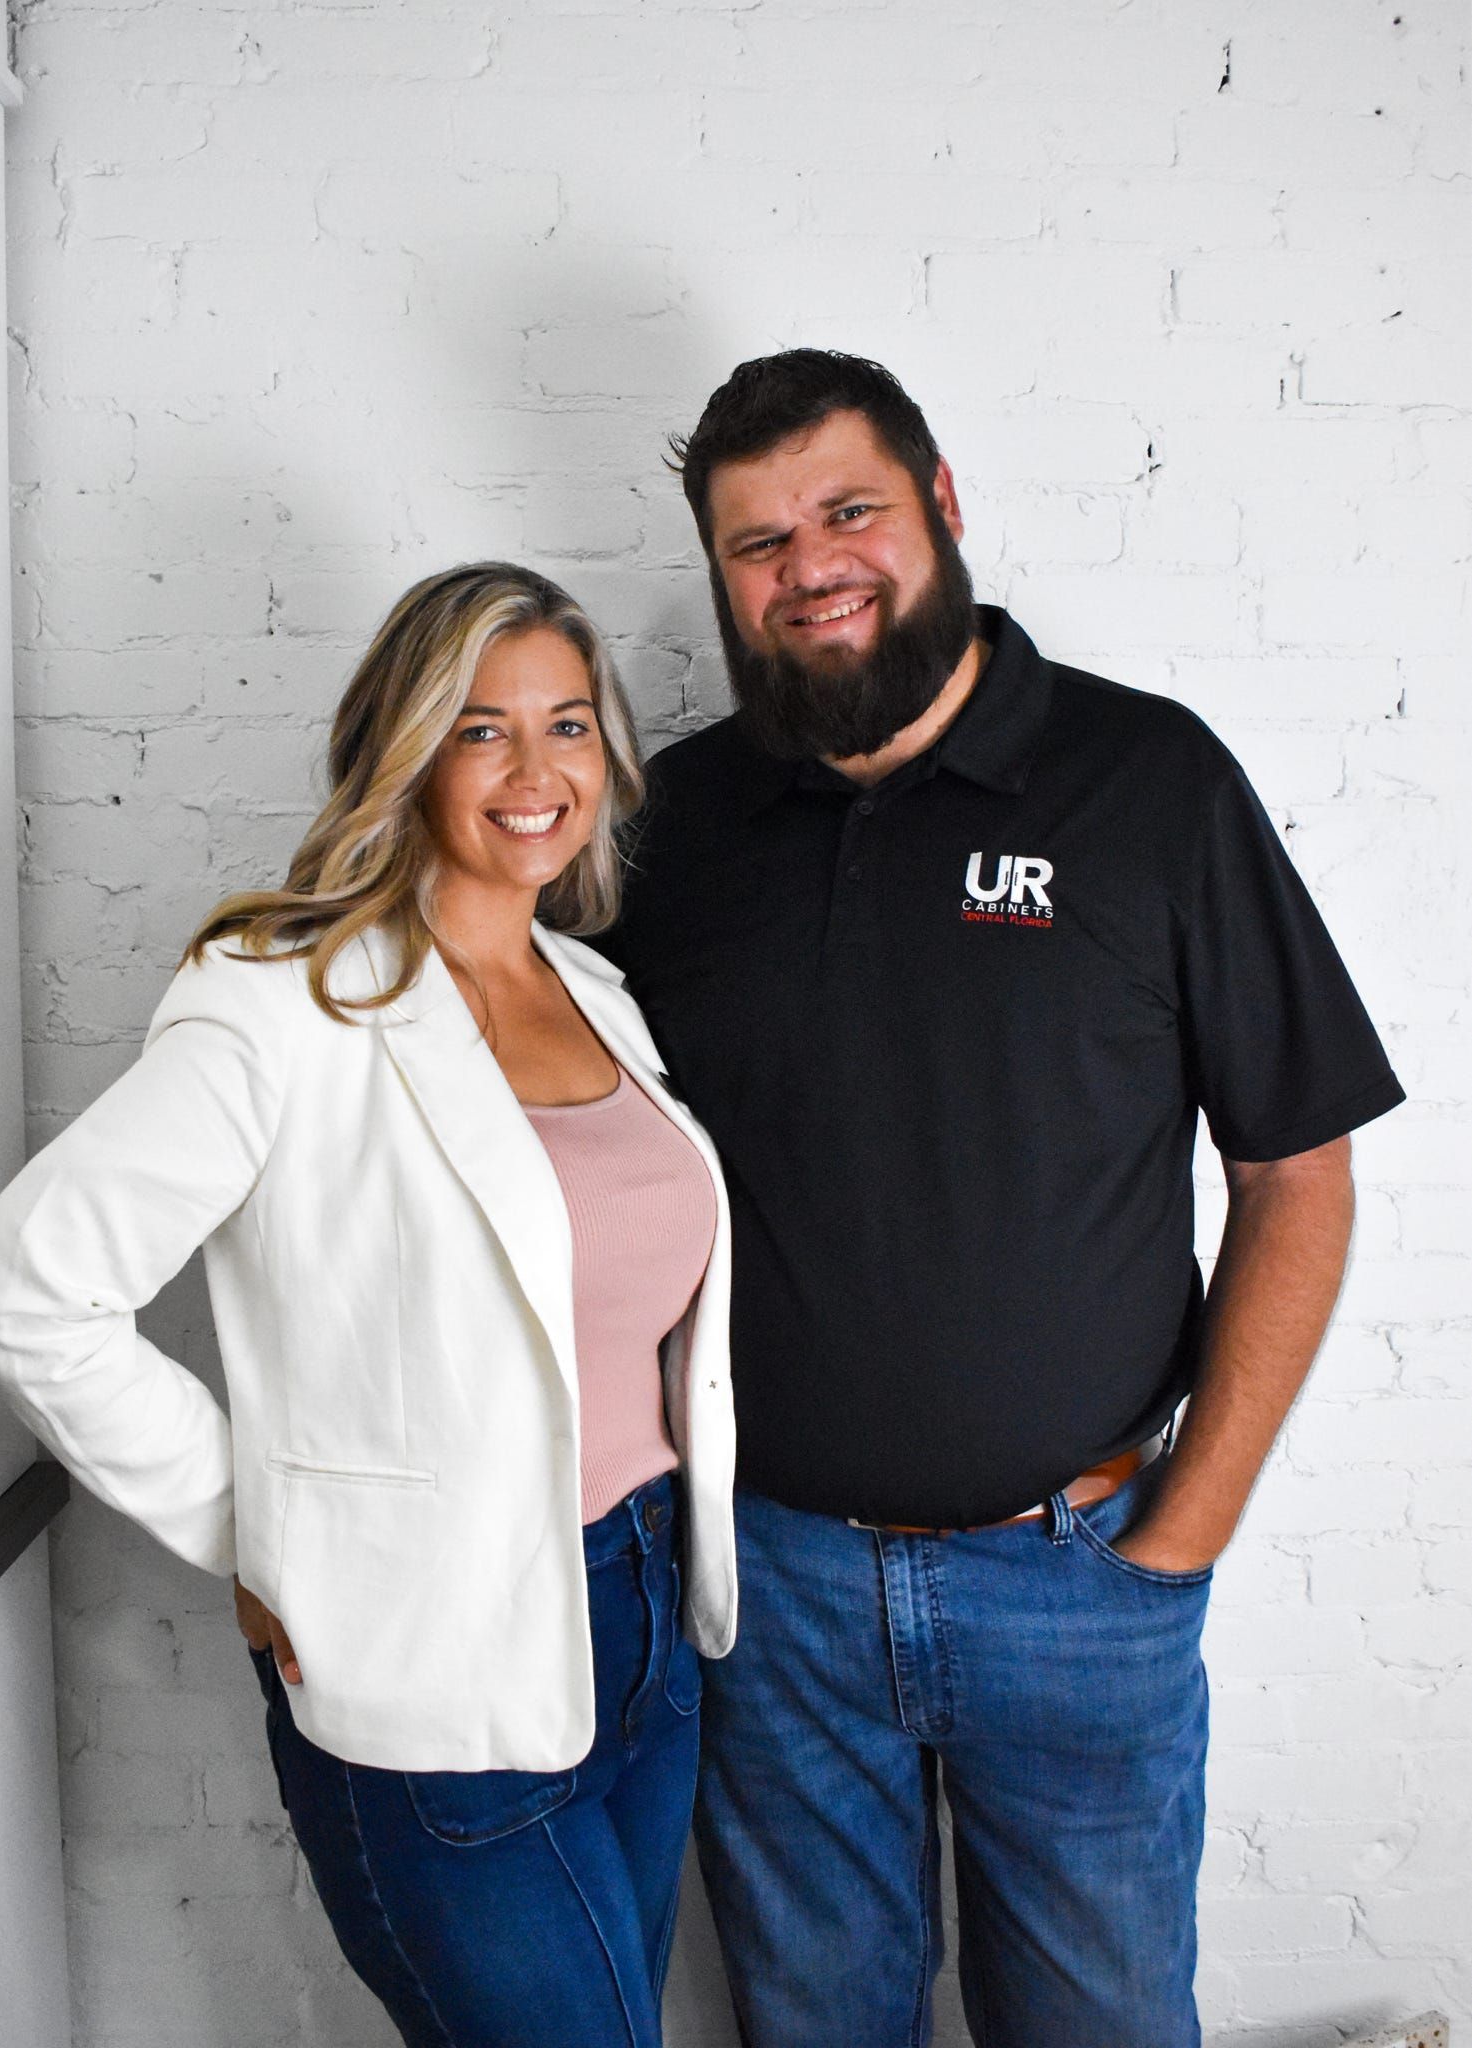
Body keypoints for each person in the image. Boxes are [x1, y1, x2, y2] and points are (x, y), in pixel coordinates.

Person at [597, 351, 1404, 2048]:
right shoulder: (671, 829)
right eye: (755, 542)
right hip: (774, 1595)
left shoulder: (1147, 782)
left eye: (846, 510)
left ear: (941, 505)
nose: (808, 564)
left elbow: (1293, 1170)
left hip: (1080, 1570)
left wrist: (1183, 1533)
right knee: (815, 2027)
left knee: (1101, 2025)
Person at [0, 562, 737, 2048]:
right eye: (480, 728)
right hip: (427, 1631)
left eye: (568, 724)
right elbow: (26, 1286)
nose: (535, 769)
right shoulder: (282, 999)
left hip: (639, 1611)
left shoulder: (596, 993)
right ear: (405, 747)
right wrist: (250, 1526)